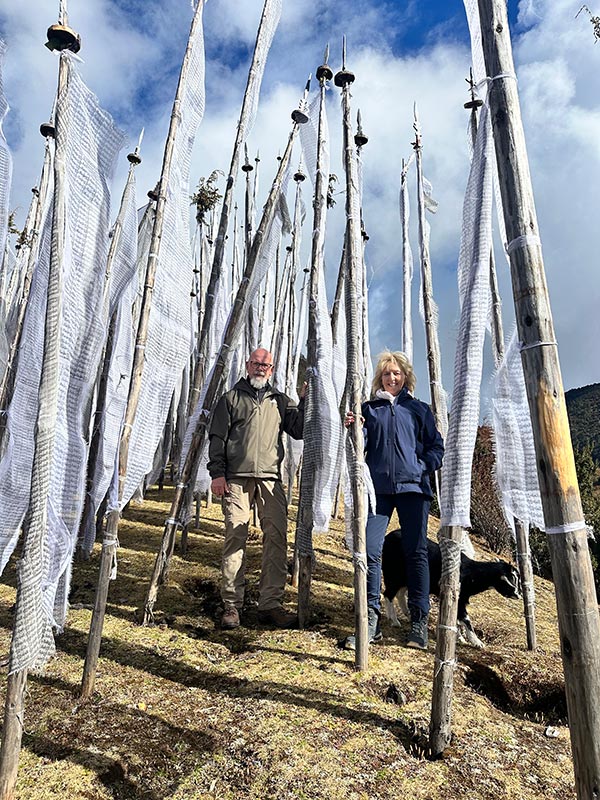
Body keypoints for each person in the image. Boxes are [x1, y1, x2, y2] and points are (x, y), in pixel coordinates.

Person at [344, 350, 444, 650]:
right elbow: (358, 441)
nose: (392, 378)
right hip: (379, 489)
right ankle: (371, 619)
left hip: (414, 489)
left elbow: (436, 447)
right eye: (387, 373)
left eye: (397, 373)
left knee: (416, 552)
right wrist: (354, 426)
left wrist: (422, 466)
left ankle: (418, 622)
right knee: (371, 549)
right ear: (380, 377)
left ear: (405, 376)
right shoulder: (369, 409)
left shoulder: (419, 410)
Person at [208, 347, 305, 630]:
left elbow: (298, 430)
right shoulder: (231, 398)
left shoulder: (280, 401)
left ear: (272, 369)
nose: (261, 368)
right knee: (235, 535)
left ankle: (270, 605)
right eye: (256, 363)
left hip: (270, 479)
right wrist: (217, 474)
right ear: (248, 365)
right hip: (236, 478)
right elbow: (217, 438)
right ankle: (231, 605)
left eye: (266, 365)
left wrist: (306, 399)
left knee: (276, 537)